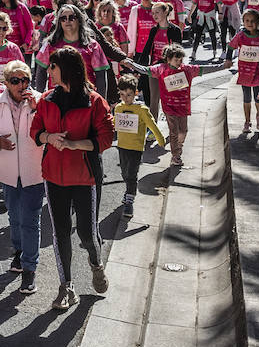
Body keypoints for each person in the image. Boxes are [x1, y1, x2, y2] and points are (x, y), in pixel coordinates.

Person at [30, 45, 115, 311]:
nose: (48, 71)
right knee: (61, 232)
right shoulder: (46, 99)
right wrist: (49, 138)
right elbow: (35, 132)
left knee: (87, 233)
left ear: (65, 69)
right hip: (53, 176)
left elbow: (106, 139)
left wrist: (76, 145)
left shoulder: (94, 101)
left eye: (52, 67)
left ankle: (95, 262)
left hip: (85, 177)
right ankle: (66, 287)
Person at [0, 59, 45, 293]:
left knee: (30, 222)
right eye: (15, 80)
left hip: (34, 172)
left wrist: (38, 108)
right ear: (6, 83)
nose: (21, 84)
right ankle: (19, 252)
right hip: (7, 173)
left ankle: (30, 269)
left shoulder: (41, 101)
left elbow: (49, 128)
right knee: (15, 219)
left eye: (25, 79)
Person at [106, 73, 164, 217]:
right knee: (125, 173)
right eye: (123, 94)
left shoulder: (142, 109)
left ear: (136, 93)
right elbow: (114, 124)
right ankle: (129, 192)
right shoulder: (118, 108)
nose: (126, 98)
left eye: (129, 95)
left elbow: (152, 125)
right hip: (122, 147)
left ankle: (129, 201)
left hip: (136, 148)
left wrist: (160, 139)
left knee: (131, 175)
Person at [228, 10, 259, 134]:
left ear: (258, 22)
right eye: (247, 21)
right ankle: (247, 121)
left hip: (258, 76)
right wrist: (228, 59)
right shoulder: (240, 36)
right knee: (246, 99)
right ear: (243, 22)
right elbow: (230, 46)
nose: (250, 23)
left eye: (253, 21)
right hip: (244, 75)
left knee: (258, 98)